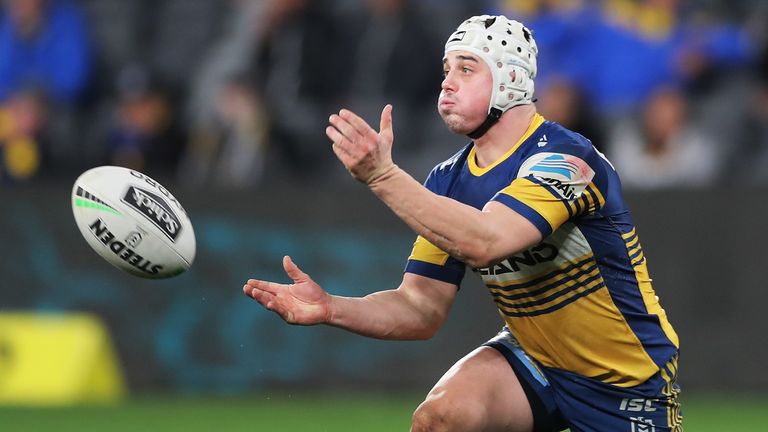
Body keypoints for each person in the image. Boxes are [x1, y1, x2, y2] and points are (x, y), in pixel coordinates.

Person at [243, 15, 682, 432]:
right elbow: (421, 309)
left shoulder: (567, 159)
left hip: (624, 377)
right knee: (442, 418)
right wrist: (331, 307)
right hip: (535, 360)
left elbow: (488, 240)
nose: (447, 82)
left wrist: (382, 176)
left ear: (511, 79)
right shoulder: (448, 179)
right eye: (446, 69)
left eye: (467, 69)